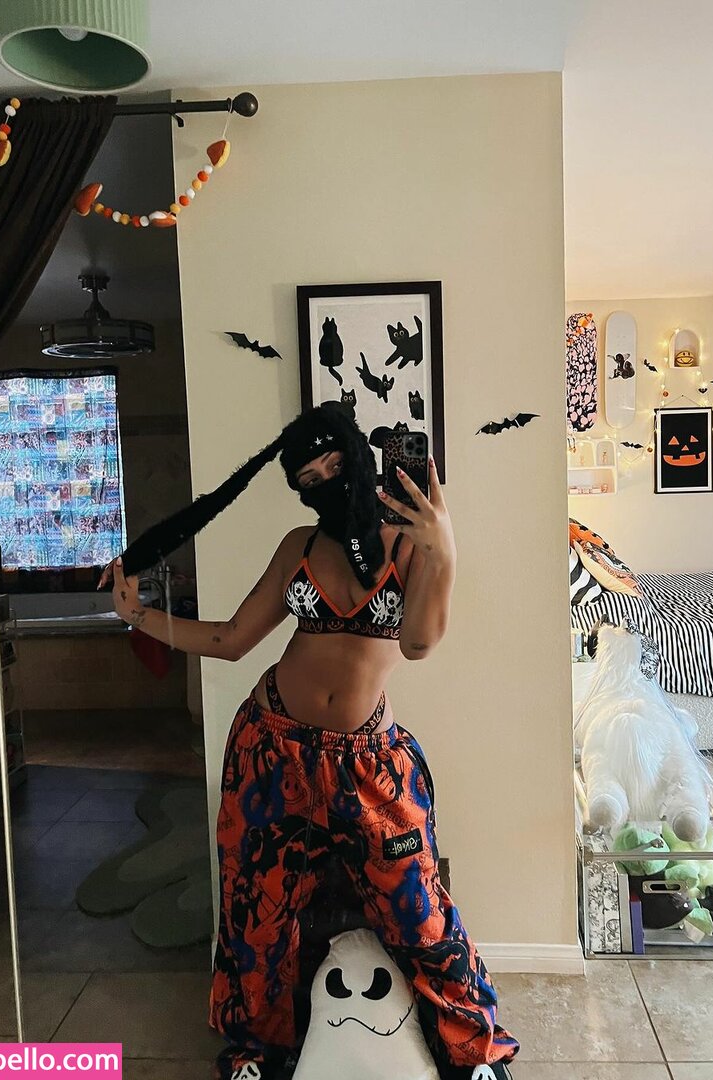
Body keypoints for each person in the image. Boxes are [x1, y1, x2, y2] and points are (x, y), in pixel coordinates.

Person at [100, 404, 517, 1080]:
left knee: (418, 911)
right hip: (270, 749)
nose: (326, 482)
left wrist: (444, 550)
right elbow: (231, 639)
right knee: (257, 913)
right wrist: (139, 616)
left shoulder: (409, 545)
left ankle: (474, 1051)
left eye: (334, 465)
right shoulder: (299, 545)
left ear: (360, 458)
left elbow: (418, 643)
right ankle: (255, 1053)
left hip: (368, 765)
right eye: (308, 478)